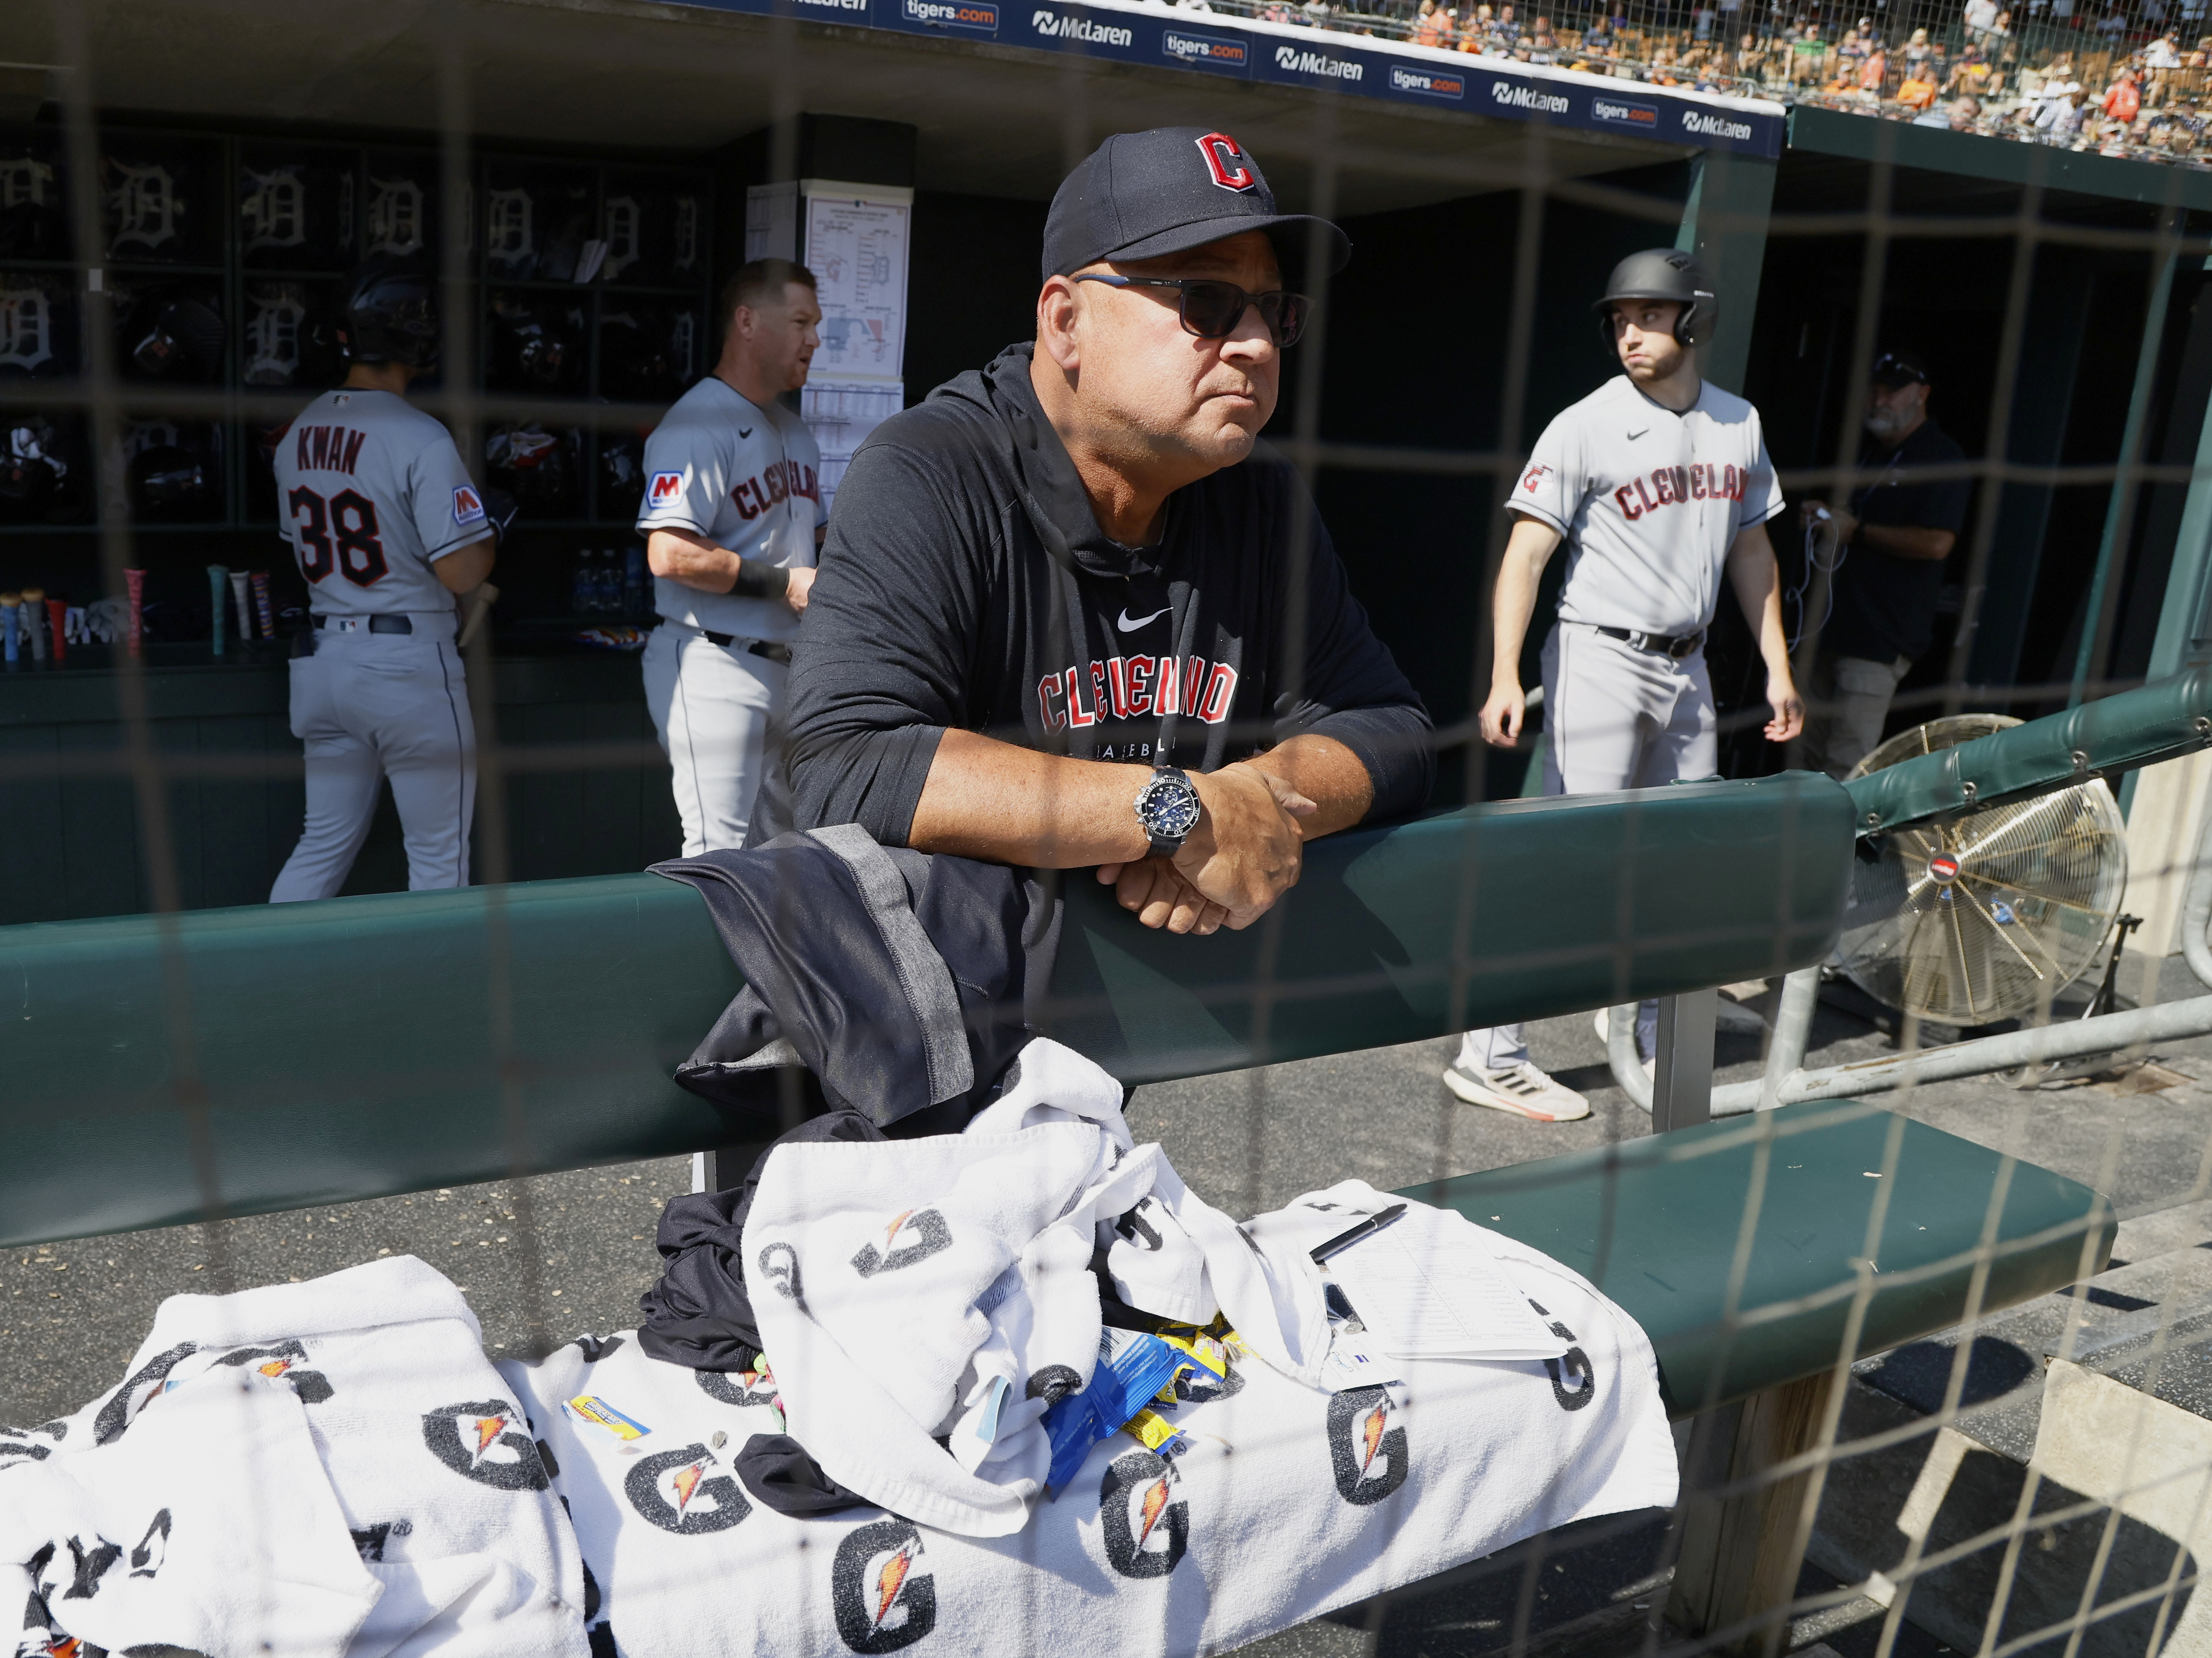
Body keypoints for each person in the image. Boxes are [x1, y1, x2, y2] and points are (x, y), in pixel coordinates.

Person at [770, 126, 1433, 943]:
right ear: (1066, 321)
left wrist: (1249, 803)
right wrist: (1178, 810)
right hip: (944, 1015)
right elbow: (845, 761)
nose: (1257, 342)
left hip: (1134, 1007)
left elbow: (1388, 725)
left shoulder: (1259, 494)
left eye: (1274, 309)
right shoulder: (932, 466)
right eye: (1208, 300)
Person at [1455, 249, 1803, 1122]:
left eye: (1647, 316)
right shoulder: (1585, 423)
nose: (1628, 333)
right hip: (1598, 654)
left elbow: (1753, 549)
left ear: (1694, 321)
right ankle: (1490, 1051)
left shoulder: (1739, 422)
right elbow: (1526, 554)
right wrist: (1504, 670)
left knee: (1683, 858)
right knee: (1576, 858)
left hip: (1687, 663)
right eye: (1618, 318)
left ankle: (1651, 1026)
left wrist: (1779, 669)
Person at [268, 263, 500, 902]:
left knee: (321, 842)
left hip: (325, 659)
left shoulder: (298, 433)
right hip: (405, 665)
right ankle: (436, 1000)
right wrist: (491, 530)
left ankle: (264, 982)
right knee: (437, 856)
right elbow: (460, 570)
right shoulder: (421, 436)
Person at [637, 258, 826, 855]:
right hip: (713, 660)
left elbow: (817, 544)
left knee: (789, 853)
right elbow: (669, 553)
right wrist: (785, 582)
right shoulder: (699, 421)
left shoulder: (795, 431)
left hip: (791, 667)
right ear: (746, 321)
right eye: (800, 321)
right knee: (720, 853)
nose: (814, 339)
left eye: (816, 324)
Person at [1799, 350, 1970, 778]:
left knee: (1844, 767)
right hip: (1829, 632)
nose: (1878, 400)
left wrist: (1858, 531)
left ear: (1921, 394)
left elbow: (1936, 543)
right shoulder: (1871, 453)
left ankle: (1827, 847)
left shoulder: (1941, 458)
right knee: (1801, 758)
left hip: (1877, 644)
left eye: (1891, 391)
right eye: (1873, 390)